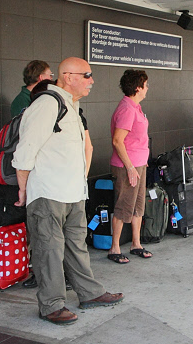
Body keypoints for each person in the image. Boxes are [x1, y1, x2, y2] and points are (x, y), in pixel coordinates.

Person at [13, 57, 123, 325]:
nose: (92, 81)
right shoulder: (46, 104)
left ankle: (89, 293)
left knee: (76, 245)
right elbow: (25, 152)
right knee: (49, 250)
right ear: (68, 76)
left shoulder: (71, 105)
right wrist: (23, 190)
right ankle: (51, 305)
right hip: (48, 193)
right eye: (87, 75)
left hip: (73, 192)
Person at [107, 69, 152, 264]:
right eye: (146, 85)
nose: (147, 88)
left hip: (139, 163)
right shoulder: (126, 109)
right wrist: (131, 167)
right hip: (127, 166)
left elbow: (137, 139)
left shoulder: (136, 107)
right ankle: (114, 248)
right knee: (124, 205)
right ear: (137, 87)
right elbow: (118, 141)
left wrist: (142, 161)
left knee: (138, 206)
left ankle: (136, 244)